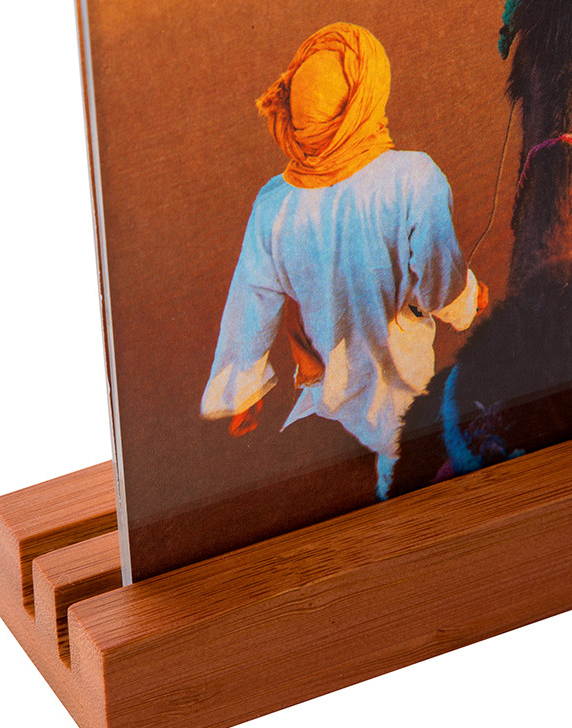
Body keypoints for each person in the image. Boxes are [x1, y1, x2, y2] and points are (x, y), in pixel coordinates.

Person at [200, 22, 486, 500]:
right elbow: (439, 288)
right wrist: (470, 301)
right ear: (366, 94)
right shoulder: (415, 178)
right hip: (404, 416)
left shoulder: (274, 203)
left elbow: (251, 302)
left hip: (320, 411)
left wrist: (242, 393)